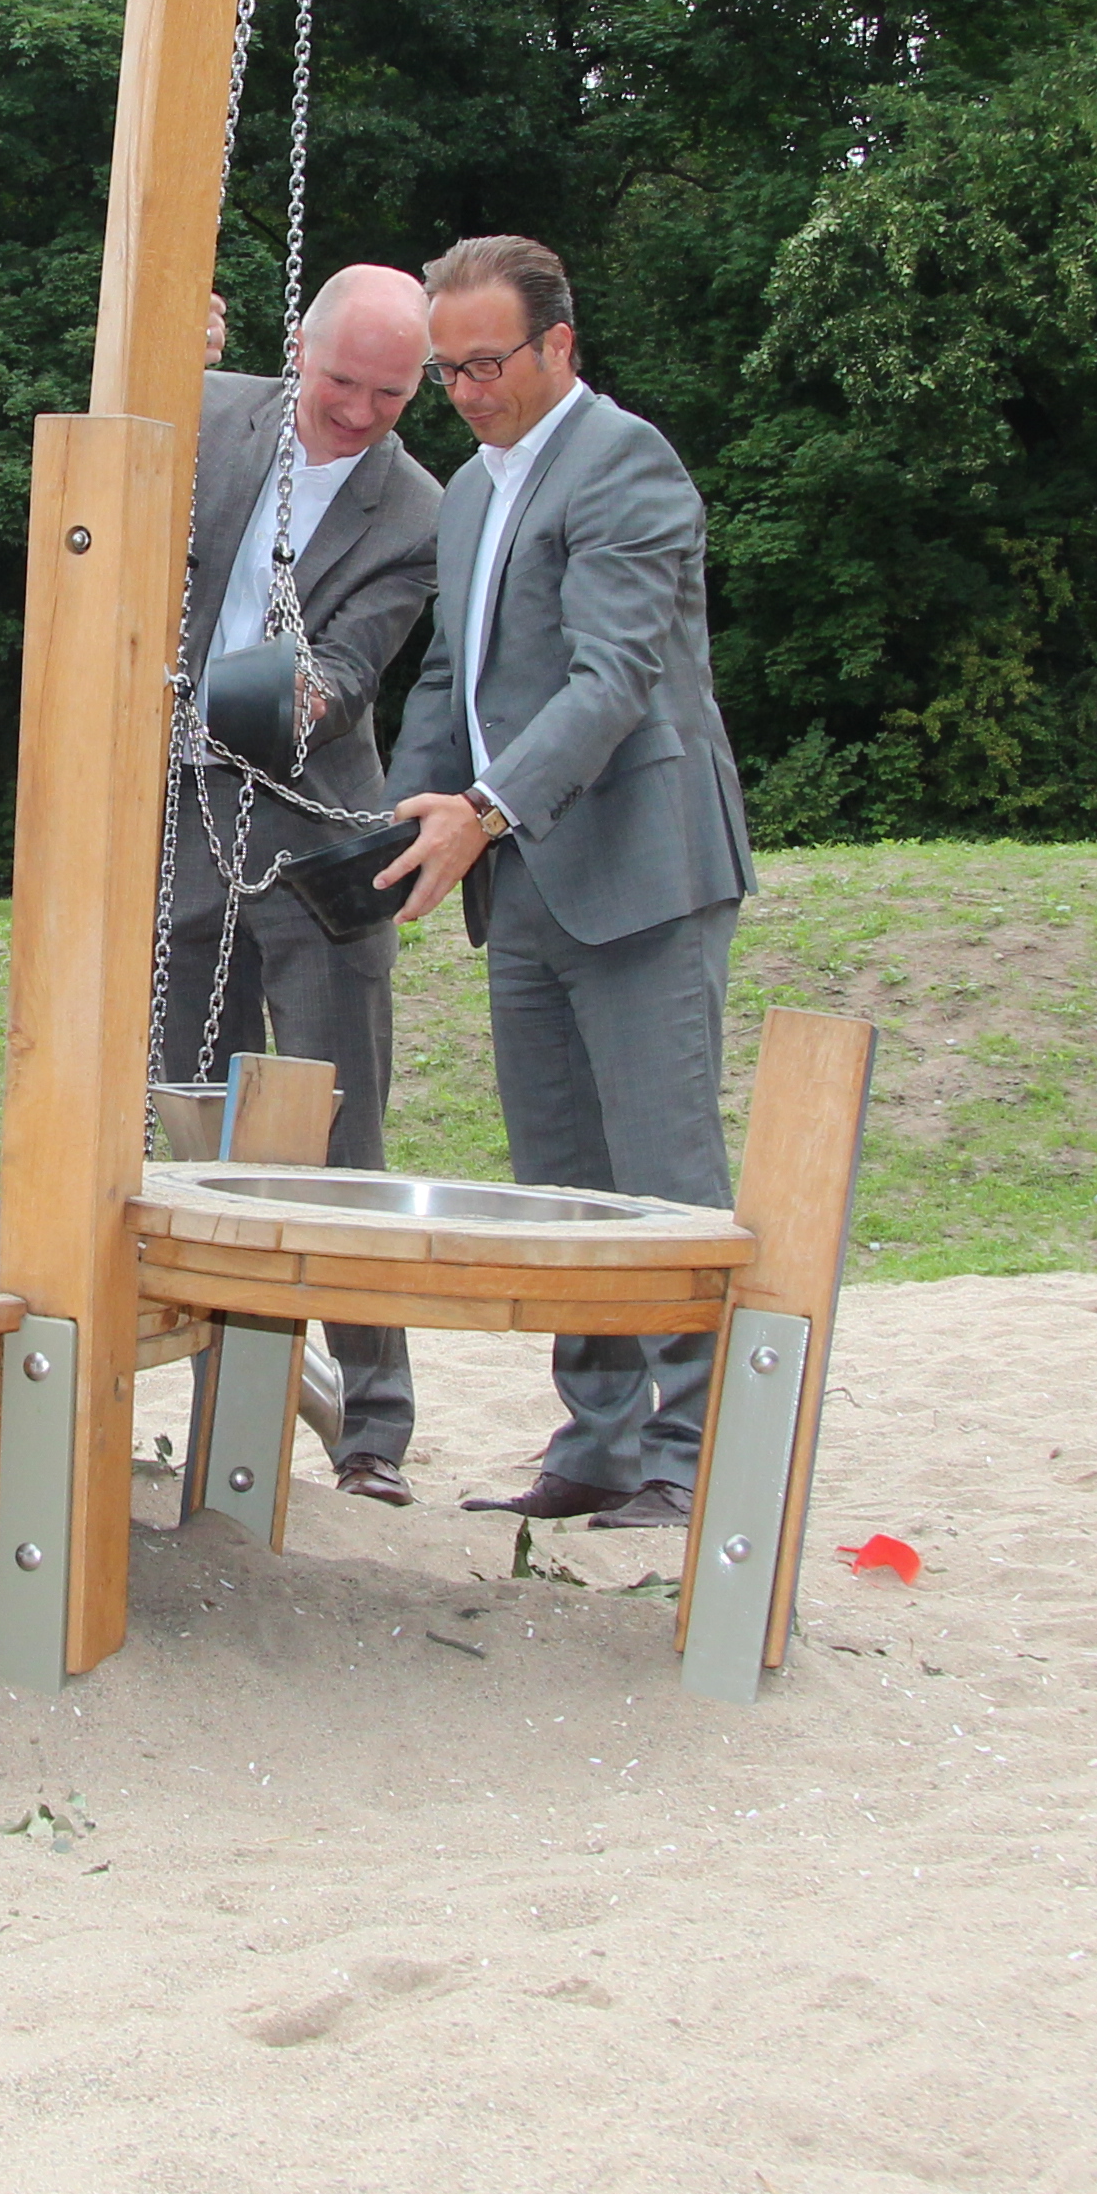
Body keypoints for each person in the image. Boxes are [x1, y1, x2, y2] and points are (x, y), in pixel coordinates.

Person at [375, 234, 754, 1529]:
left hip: (641, 869)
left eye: (488, 363)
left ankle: (693, 1461)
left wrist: (479, 812)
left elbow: (614, 681)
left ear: (559, 347)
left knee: (664, 1178)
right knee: (563, 1180)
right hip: (522, 875)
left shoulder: (626, 464)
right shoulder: (474, 491)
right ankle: (596, 1442)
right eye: (448, 371)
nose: (467, 390)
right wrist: (382, 827)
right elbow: (448, 681)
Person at [163, 263, 445, 1500]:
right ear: (299, 347)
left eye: (392, 394)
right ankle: (219, 1390)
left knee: (345, 1130)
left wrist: (302, 695)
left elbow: (355, 659)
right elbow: (103, 489)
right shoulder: (208, 410)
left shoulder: (418, 509)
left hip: (318, 835)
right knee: (193, 1124)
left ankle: (374, 1421)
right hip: (174, 826)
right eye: (342, 382)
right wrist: (154, 352)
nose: (361, 412)